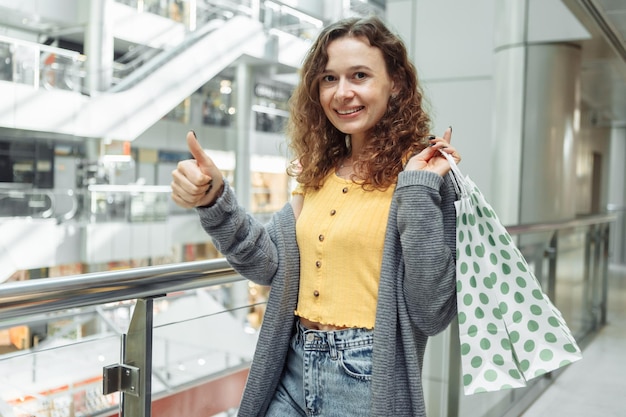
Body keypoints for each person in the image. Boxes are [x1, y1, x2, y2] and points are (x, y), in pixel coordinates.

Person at [171, 15, 461, 417]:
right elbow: (266, 262)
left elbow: (432, 312)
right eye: (329, 79)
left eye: (359, 75)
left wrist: (416, 191)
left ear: (395, 83)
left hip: (365, 379)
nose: (342, 93)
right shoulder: (319, 172)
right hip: (291, 366)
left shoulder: (423, 175)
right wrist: (215, 197)